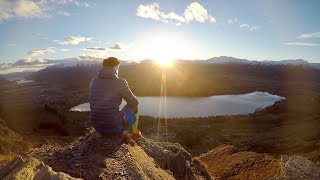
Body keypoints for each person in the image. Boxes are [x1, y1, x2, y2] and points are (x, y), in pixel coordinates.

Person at [89, 57, 141, 140]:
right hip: (114, 128)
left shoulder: (93, 81)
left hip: (97, 127)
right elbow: (134, 102)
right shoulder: (121, 82)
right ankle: (135, 133)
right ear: (116, 67)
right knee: (134, 106)